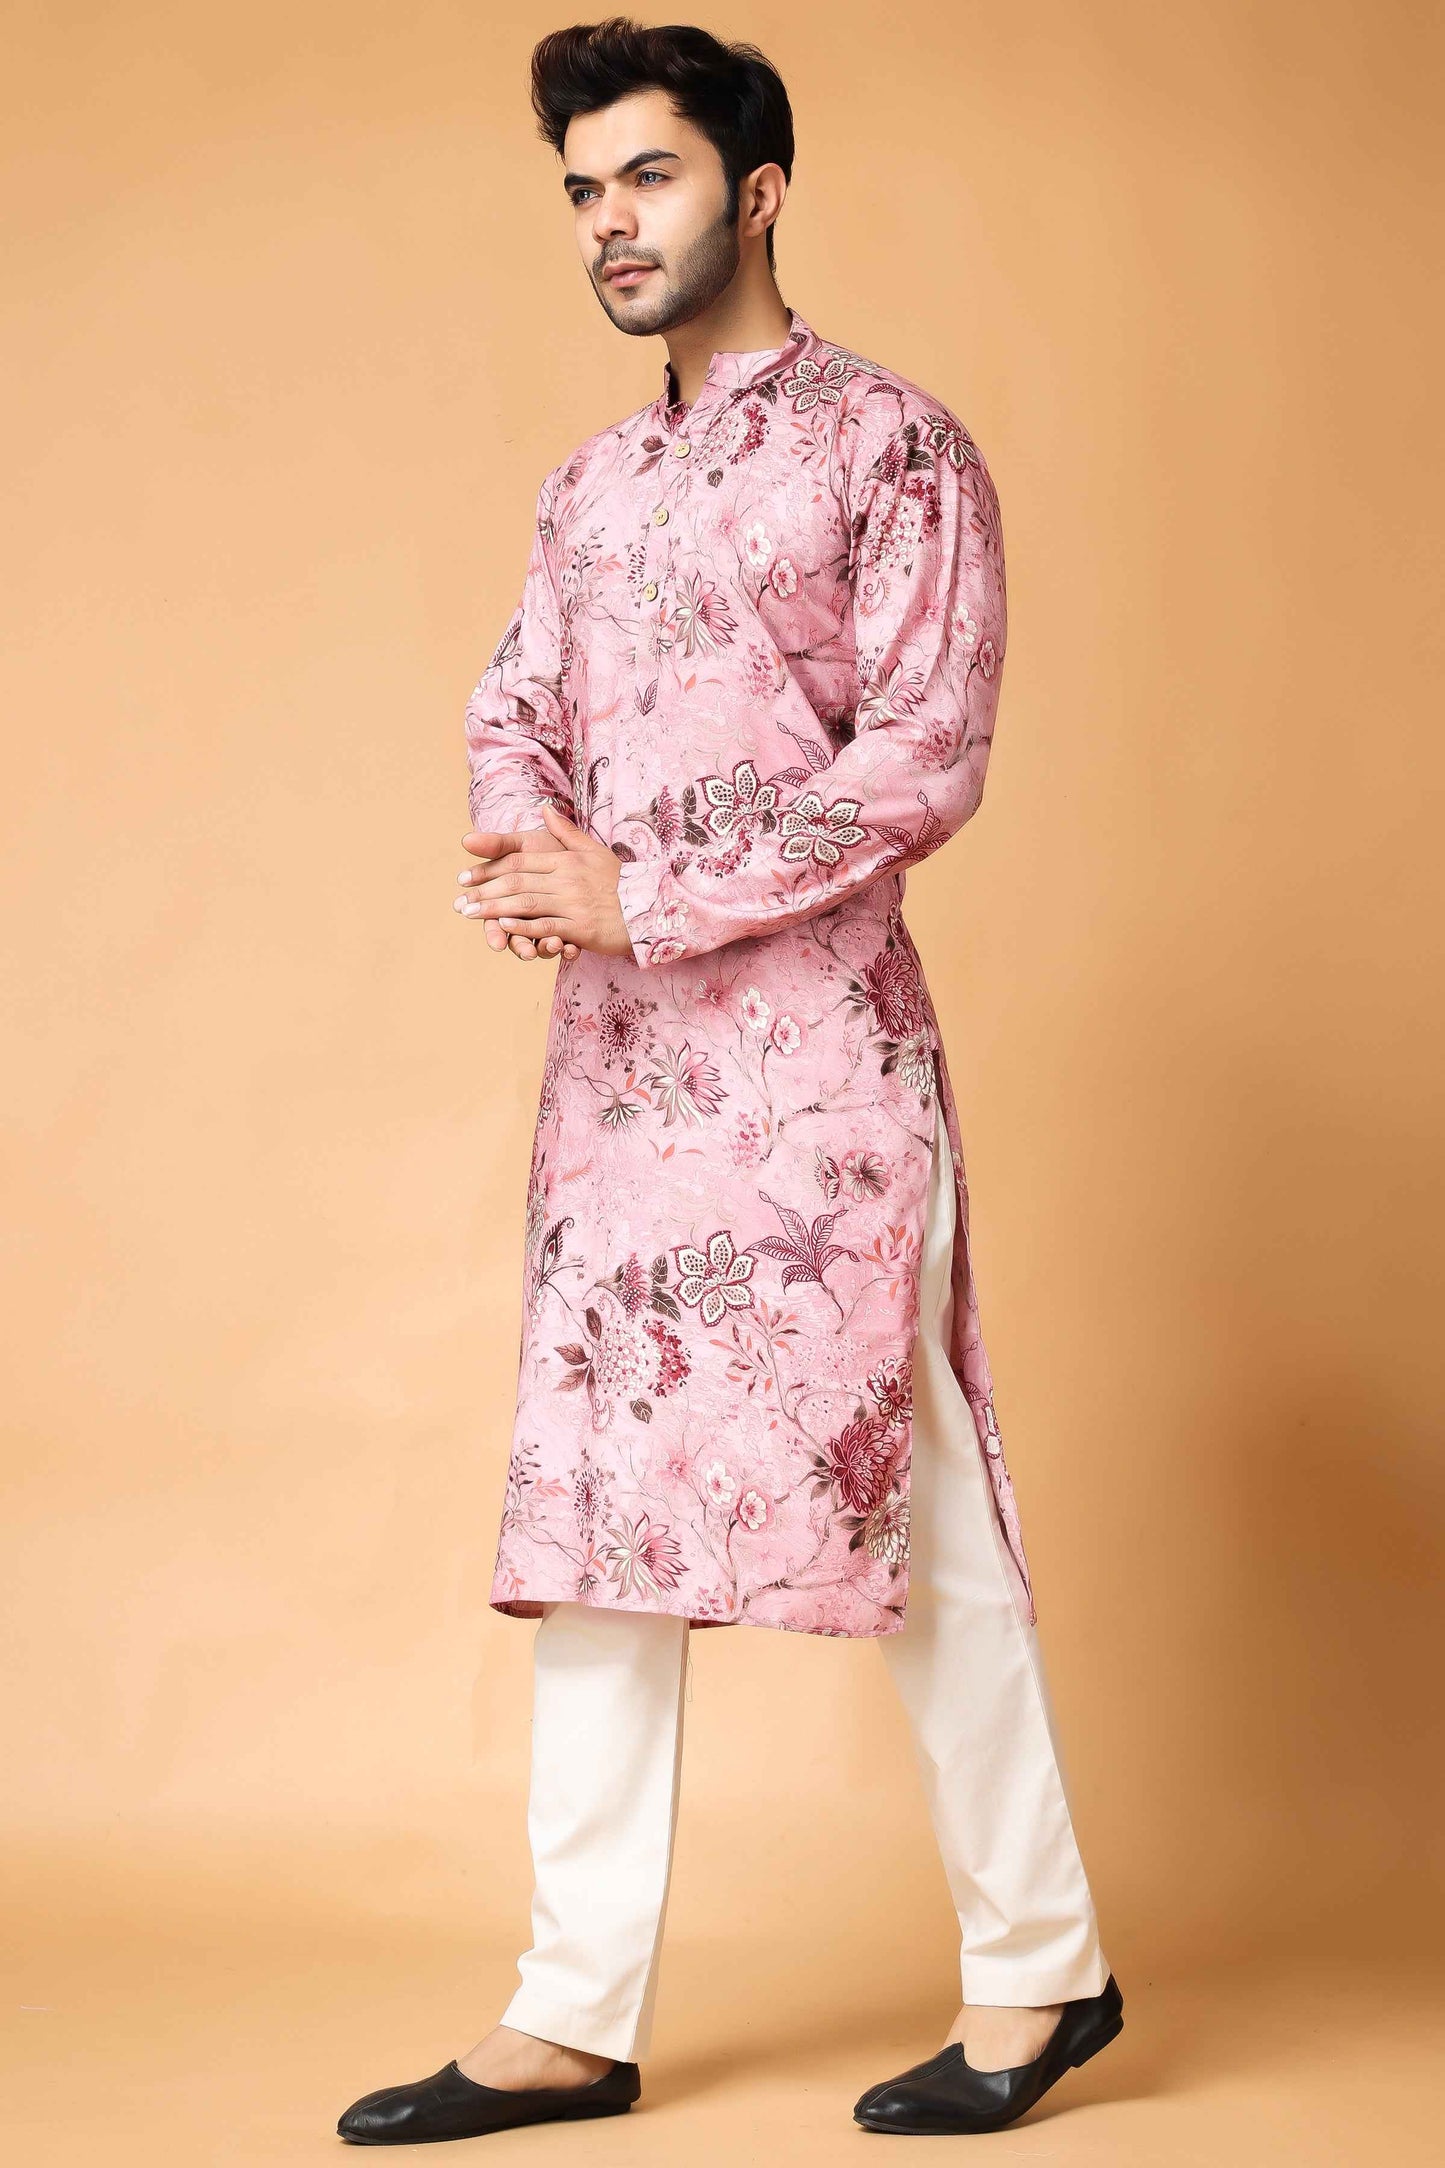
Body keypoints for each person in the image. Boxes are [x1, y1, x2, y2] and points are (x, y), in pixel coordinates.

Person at [338, 16, 1123, 2146]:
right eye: (584, 189)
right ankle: (568, 2012)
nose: (609, 221)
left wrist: (647, 887)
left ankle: (1042, 1967)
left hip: (820, 1082)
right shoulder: (588, 490)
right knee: (593, 1519)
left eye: (649, 177)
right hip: (619, 1083)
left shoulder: (896, 448)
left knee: (916, 1505)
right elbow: (515, 701)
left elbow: (922, 762)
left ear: (754, 192)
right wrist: (530, 842)